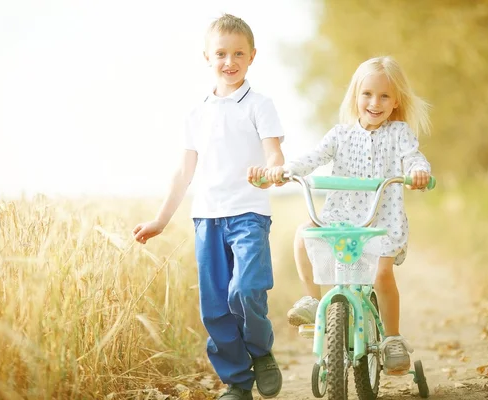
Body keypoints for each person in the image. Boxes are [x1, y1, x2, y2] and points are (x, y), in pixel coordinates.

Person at [132, 14, 284, 400]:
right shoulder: (196, 113)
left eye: (238, 53)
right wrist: (160, 220)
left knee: (245, 290)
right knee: (215, 306)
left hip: (249, 214)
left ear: (252, 56)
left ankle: (262, 353)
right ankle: (237, 382)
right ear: (207, 57)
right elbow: (184, 172)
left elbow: (274, 153)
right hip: (207, 218)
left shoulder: (260, 105)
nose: (229, 61)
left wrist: (274, 172)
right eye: (221, 53)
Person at [261, 56, 432, 376]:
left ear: (396, 101)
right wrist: (286, 171)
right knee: (303, 235)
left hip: (381, 221)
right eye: (367, 94)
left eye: (384, 96)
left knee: (381, 275)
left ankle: (392, 338)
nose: (374, 102)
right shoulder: (340, 135)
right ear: (356, 96)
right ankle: (313, 300)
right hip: (340, 215)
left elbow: (413, 157)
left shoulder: (399, 133)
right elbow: (315, 157)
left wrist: (418, 172)